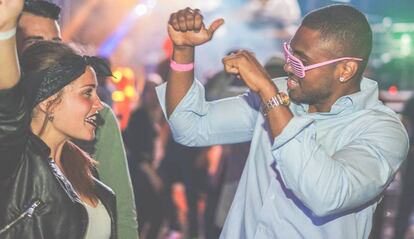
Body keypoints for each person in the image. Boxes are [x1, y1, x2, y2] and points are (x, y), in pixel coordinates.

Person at [156, 5, 409, 239]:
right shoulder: (282, 93)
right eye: (289, 53)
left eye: (301, 62)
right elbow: (190, 127)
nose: (288, 66)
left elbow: (325, 195)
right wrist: (183, 50)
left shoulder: (382, 131)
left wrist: (269, 95)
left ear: (345, 70)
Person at [16, 2, 138, 238]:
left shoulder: (100, 120)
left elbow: (122, 213)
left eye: (56, 44)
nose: (50, 54)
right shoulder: (11, 142)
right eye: (35, 42)